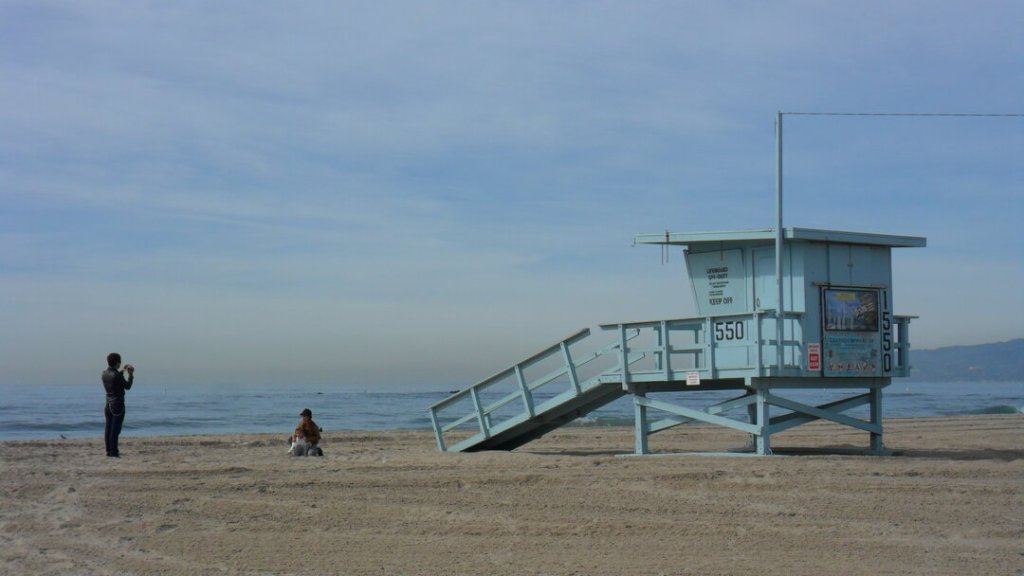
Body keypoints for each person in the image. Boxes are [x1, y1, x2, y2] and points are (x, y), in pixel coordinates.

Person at [101, 352, 135, 458]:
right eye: (120, 362)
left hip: (108, 404)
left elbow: (114, 377)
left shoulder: (104, 373)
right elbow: (127, 386)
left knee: (108, 429)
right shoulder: (116, 375)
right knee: (115, 430)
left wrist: (123, 371)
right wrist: (130, 375)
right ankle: (114, 452)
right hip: (117, 405)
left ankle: (108, 451)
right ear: (117, 362)